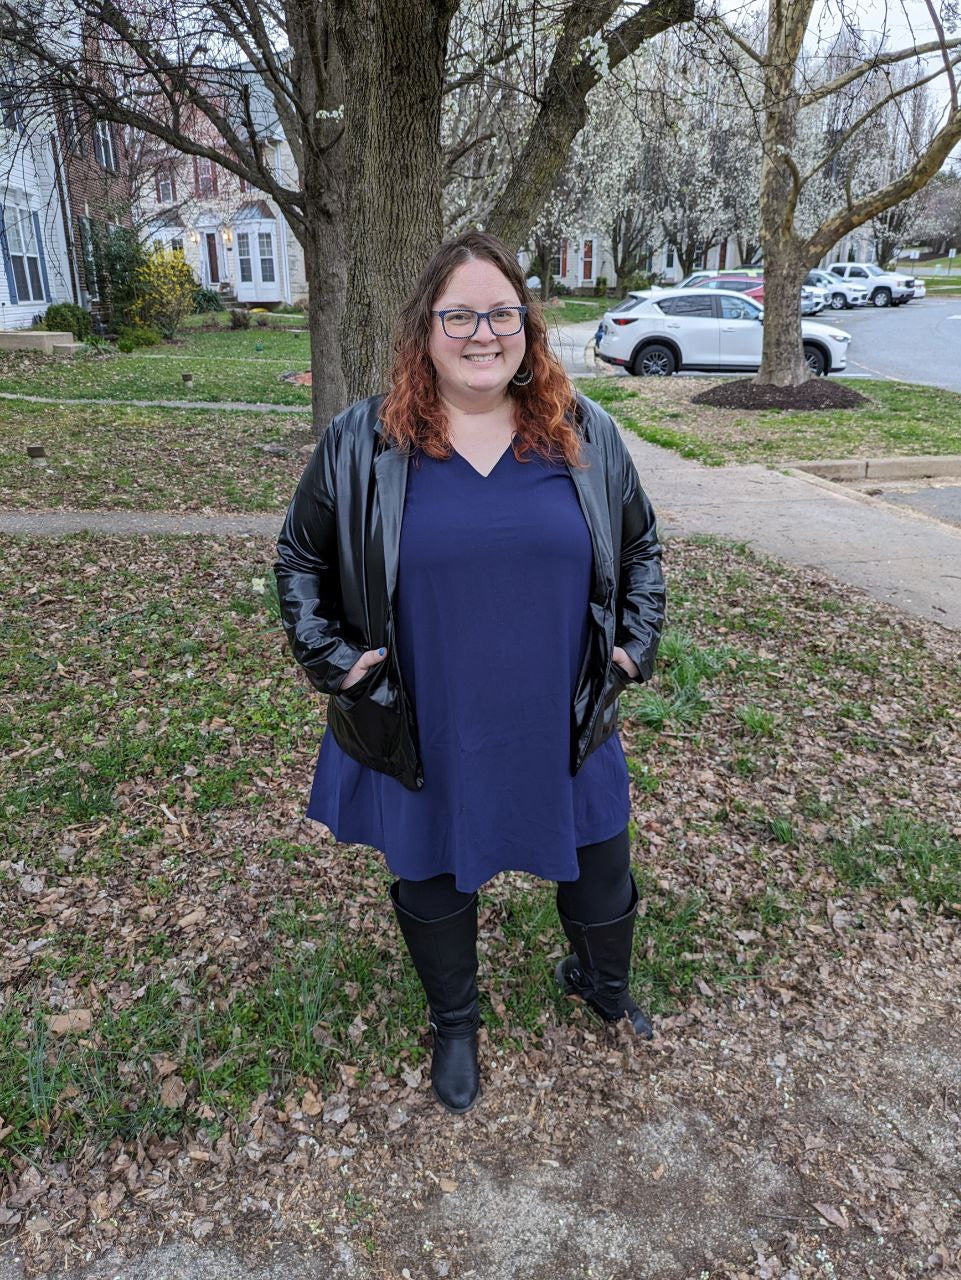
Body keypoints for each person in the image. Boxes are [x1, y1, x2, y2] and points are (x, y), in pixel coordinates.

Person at [274, 231, 665, 1115]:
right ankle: (455, 1023)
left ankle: (602, 986)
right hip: (428, 713)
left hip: (561, 711)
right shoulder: (361, 440)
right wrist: (334, 661)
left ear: (526, 324)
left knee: (600, 863)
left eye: (500, 312)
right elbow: (299, 558)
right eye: (459, 315)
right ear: (426, 329)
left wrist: (632, 645)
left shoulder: (584, 433)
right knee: (432, 871)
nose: (481, 333)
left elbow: (639, 548)